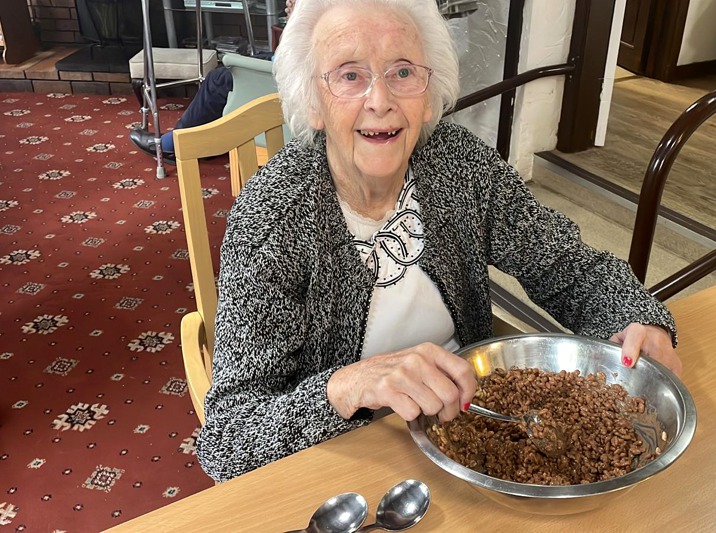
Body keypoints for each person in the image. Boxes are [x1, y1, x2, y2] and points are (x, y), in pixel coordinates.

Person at [195, 0, 683, 483]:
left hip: (473, 433)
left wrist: (635, 317)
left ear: (428, 95)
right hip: (349, 463)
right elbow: (226, 440)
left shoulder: (460, 164)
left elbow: (565, 264)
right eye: (348, 75)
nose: (380, 100)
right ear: (312, 103)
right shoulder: (272, 216)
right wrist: (344, 387)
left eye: (403, 72)